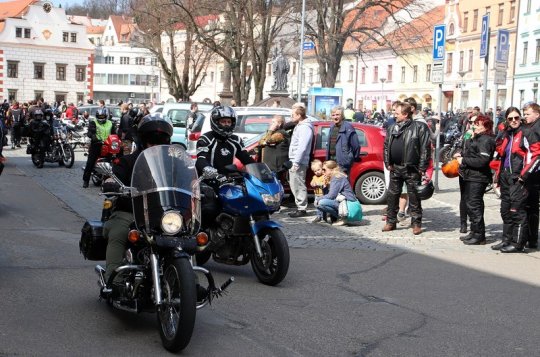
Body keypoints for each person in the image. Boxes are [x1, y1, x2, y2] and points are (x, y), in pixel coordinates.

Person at [103, 115, 173, 282]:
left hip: (162, 213)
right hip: (130, 211)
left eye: (160, 142)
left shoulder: (172, 163)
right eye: (152, 142)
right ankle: (113, 280)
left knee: (183, 237)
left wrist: (197, 185)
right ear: (143, 141)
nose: (156, 147)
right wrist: (111, 183)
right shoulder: (127, 161)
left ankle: (190, 282)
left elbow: (187, 180)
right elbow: (113, 177)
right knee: (118, 233)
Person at [382, 101, 431, 235]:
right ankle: (391, 222)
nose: (394, 115)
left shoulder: (419, 127)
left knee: (414, 196)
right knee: (392, 195)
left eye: (396, 113)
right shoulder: (392, 127)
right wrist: (387, 162)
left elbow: (425, 148)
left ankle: (416, 223)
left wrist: (422, 166)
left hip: (412, 167)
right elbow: (386, 146)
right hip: (395, 167)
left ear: (405, 114)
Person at [454, 114, 496, 245]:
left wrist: (463, 160)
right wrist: (461, 154)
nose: (474, 126)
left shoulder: (486, 140)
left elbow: (482, 160)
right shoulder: (476, 138)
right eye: (474, 123)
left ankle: (479, 235)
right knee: (471, 204)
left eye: (478, 124)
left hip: (478, 177)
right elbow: (471, 153)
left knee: (474, 205)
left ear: (486, 126)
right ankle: (474, 231)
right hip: (470, 175)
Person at [491, 107, 528, 252]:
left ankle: (518, 243)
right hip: (506, 175)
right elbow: (502, 155)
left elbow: (532, 155)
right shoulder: (507, 134)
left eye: (516, 118)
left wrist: (523, 175)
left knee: (517, 211)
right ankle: (506, 239)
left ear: (521, 118)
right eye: (511, 118)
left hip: (518, 177)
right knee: (505, 210)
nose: (514, 121)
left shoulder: (525, 133)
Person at [195, 105, 254, 179]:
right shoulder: (206, 139)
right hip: (208, 180)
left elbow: (246, 158)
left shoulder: (236, 140)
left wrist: (262, 171)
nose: (226, 124)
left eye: (229, 122)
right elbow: (201, 159)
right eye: (223, 121)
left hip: (228, 180)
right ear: (216, 122)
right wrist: (208, 169)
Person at [287, 104, 314, 218]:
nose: (291, 117)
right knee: (294, 184)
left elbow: (302, 147)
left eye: (292, 115)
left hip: (298, 161)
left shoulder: (304, 127)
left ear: (299, 115)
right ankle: (300, 206)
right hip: (295, 160)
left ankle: (302, 208)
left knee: (298, 183)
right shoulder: (300, 125)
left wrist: (296, 162)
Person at [314, 160, 359, 226]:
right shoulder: (334, 177)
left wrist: (318, 199)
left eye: (324, 169)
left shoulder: (337, 178)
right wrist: (326, 184)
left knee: (321, 203)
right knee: (321, 202)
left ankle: (343, 218)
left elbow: (331, 196)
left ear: (331, 169)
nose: (323, 171)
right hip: (344, 203)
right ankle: (339, 217)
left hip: (348, 205)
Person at [521, 102, 540, 249]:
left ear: (537, 114)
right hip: (532, 172)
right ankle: (529, 237)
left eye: (528, 114)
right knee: (530, 207)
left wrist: (526, 173)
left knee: (532, 207)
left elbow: (537, 154)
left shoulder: (536, 128)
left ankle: (532, 238)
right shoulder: (531, 126)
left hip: (534, 174)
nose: (525, 117)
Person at [82, 106, 116, 188]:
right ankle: (86, 180)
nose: (101, 118)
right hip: (96, 144)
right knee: (90, 162)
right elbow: (90, 132)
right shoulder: (93, 122)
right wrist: (93, 137)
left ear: (106, 116)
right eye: (99, 117)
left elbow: (114, 133)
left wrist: (117, 139)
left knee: (114, 160)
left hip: (108, 145)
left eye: (103, 117)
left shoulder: (110, 123)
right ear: (97, 116)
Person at [325, 105, 360, 175]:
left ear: (342, 115)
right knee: (333, 184)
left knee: (342, 184)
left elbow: (356, 146)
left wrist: (349, 158)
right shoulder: (332, 126)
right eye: (333, 115)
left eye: (337, 114)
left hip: (342, 163)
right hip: (332, 161)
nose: (335, 117)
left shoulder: (348, 127)